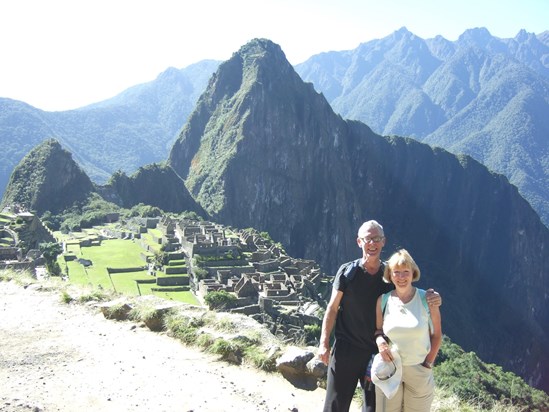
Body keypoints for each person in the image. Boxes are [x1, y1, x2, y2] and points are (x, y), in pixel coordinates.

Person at [318, 221, 441, 412]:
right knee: (335, 405)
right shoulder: (347, 273)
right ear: (359, 242)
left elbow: (409, 292)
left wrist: (431, 296)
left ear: (383, 242)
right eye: (368, 239)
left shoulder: (389, 276)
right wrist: (324, 343)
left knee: (374, 408)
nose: (372, 243)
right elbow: (332, 309)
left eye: (377, 239)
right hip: (346, 350)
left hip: (376, 355)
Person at [374, 249, 442, 412]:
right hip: (389, 368)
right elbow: (378, 331)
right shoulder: (383, 301)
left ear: (413, 273)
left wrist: (427, 364)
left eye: (406, 272)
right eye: (396, 272)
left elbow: (437, 335)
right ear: (390, 275)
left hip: (418, 370)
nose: (401, 277)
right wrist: (380, 341)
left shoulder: (427, 299)